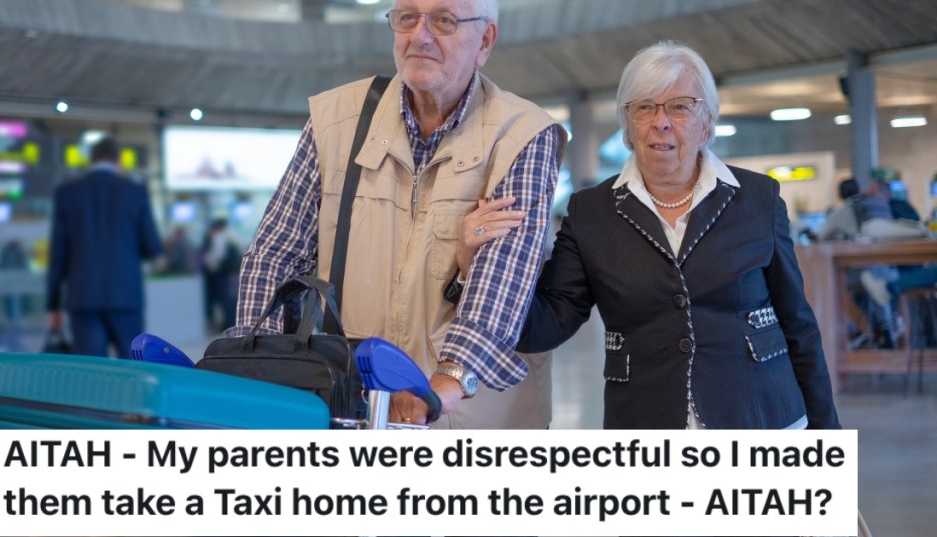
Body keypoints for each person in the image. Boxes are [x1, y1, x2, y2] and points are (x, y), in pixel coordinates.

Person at [456, 40, 840, 430]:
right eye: (644, 107)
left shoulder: (758, 198)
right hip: (644, 423)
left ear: (707, 121)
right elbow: (549, 323)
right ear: (627, 124)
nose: (661, 122)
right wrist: (475, 269)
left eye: (679, 106)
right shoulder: (591, 212)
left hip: (762, 419)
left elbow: (798, 325)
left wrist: (827, 438)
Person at [227, 0, 567, 428]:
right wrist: (259, 365)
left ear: (484, 41)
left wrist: (444, 382)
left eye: (443, 20)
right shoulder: (336, 120)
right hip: (354, 399)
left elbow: (501, 281)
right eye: (407, 17)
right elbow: (275, 254)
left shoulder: (523, 134)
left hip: (473, 412)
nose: (420, 36)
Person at [45, 137, 163, 358]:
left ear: (91, 161)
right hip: (126, 296)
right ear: (117, 162)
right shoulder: (135, 192)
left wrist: (53, 305)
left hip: (83, 298)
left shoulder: (68, 193)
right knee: (133, 367)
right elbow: (152, 246)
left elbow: (57, 254)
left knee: (93, 374)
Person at [202, 219, 241, 332]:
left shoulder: (219, 237)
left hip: (224, 274)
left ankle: (229, 325)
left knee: (226, 300)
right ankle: (231, 324)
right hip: (233, 273)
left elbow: (217, 257)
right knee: (232, 299)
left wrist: (209, 264)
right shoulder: (231, 235)